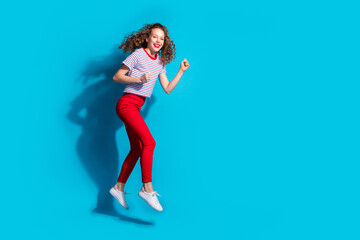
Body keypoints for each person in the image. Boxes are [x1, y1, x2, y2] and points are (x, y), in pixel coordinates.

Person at [110, 23, 190, 212]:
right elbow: (117, 76)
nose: (158, 41)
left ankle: (118, 187)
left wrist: (181, 71)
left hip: (136, 108)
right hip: (126, 104)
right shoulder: (138, 55)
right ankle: (147, 188)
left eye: (161, 39)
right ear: (147, 38)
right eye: (155, 37)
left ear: (164, 44)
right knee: (149, 143)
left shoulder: (160, 63)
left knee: (137, 149)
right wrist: (137, 79)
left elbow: (168, 89)